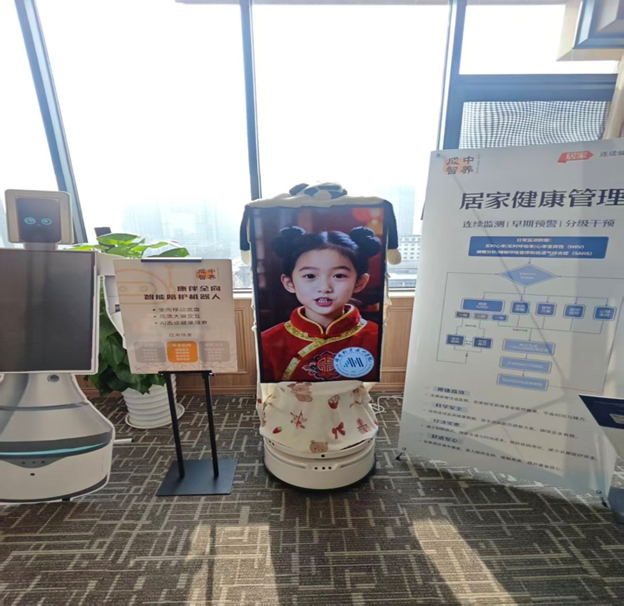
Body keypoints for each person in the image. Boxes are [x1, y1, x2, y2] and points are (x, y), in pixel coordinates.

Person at [261, 225, 381, 382]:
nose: (324, 288)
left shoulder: (375, 336)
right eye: (310, 276)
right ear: (289, 283)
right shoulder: (268, 340)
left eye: (339, 276)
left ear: (360, 282)